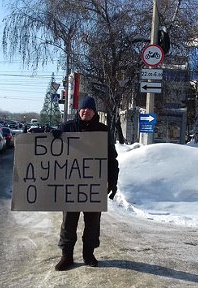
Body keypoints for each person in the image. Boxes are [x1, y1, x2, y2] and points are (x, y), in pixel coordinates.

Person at [53, 96, 119, 271]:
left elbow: (111, 158)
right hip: (71, 185)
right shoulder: (67, 128)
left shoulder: (103, 130)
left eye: (90, 109)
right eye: (83, 108)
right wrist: (53, 137)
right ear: (78, 110)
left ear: (94, 112)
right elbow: (52, 154)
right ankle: (66, 256)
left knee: (92, 223)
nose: (86, 111)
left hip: (94, 186)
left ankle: (88, 254)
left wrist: (113, 182)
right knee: (68, 222)